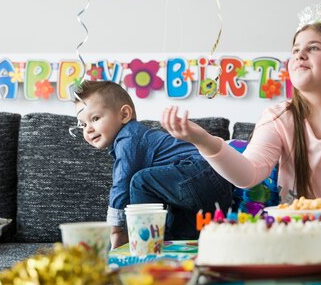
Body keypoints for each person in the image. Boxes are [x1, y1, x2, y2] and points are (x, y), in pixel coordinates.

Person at [161, 4, 321, 203]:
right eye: (295, 50)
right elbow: (248, 174)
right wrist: (203, 140)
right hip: (294, 238)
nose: (300, 55)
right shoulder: (279, 117)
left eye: (313, 48)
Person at [73, 81, 232, 248]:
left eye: (95, 118)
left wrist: (116, 228)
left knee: (140, 181)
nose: (88, 129)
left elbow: (121, 183)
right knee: (176, 239)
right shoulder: (130, 141)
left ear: (124, 114)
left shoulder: (129, 138)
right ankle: (162, 255)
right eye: (83, 125)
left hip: (202, 173)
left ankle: (144, 243)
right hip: (214, 187)